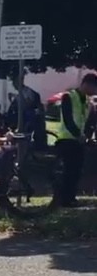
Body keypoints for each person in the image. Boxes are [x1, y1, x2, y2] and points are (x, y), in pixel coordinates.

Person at [54, 74, 96, 207]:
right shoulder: (68, 96)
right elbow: (68, 119)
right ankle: (65, 199)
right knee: (69, 170)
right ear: (87, 84)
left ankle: (70, 197)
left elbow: (88, 121)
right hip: (67, 138)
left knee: (77, 170)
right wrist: (78, 134)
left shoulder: (88, 101)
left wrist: (88, 137)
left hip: (79, 141)